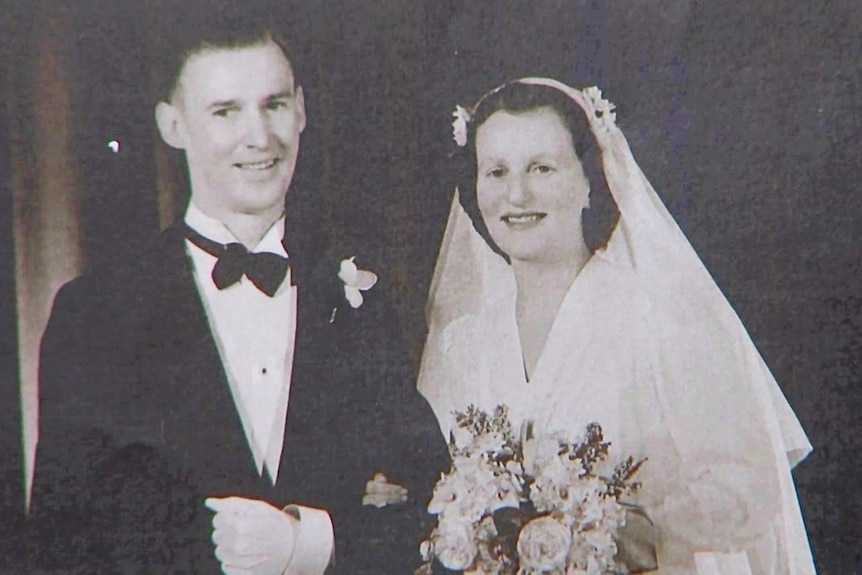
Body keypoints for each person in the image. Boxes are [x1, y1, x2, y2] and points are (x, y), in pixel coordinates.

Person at [28, 13, 448, 575]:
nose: (260, 136)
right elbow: (59, 549)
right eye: (226, 112)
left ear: (301, 109)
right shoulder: (95, 313)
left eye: (273, 105)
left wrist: (309, 541)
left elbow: (433, 507)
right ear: (172, 126)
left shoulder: (357, 302)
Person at [418, 78, 816, 574]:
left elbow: (750, 485)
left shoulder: (656, 318)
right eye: (496, 172)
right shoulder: (461, 344)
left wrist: (640, 533)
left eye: (541, 167)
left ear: (589, 178)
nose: (516, 194)